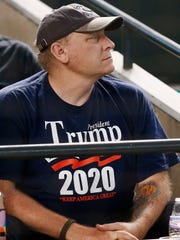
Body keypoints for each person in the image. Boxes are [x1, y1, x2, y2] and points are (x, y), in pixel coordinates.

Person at [0, 3, 179, 240]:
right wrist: (80, 234)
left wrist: (136, 227)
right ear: (60, 52)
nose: (110, 44)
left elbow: (155, 178)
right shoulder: (14, 103)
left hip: (120, 229)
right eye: (95, 38)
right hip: (45, 234)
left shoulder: (130, 98)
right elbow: (7, 195)